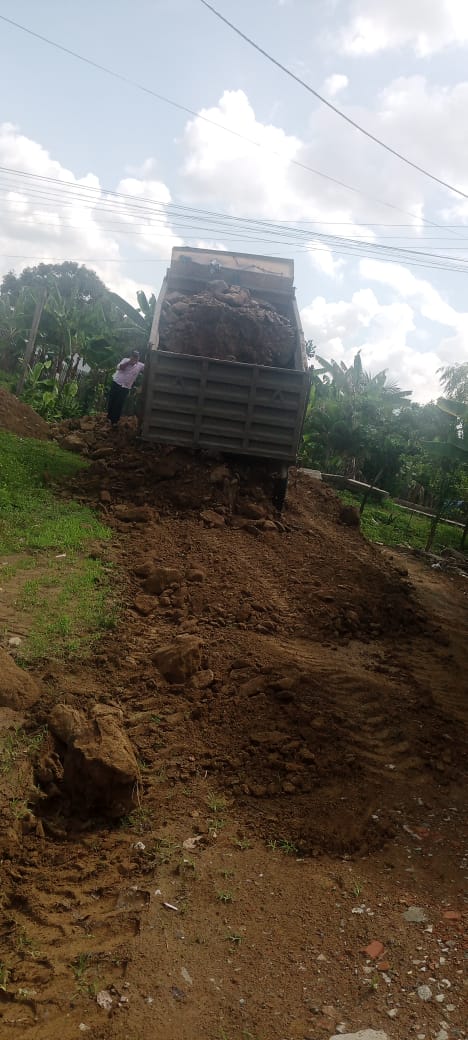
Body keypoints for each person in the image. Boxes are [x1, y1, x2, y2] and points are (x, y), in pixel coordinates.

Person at [107, 350, 145, 425]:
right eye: (134, 357)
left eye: (136, 357)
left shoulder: (140, 365)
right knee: (112, 401)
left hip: (125, 387)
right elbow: (119, 367)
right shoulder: (125, 360)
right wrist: (129, 363)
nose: (135, 358)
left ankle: (114, 421)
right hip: (116, 383)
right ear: (131, 357)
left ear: (138, 358)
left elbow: (148, 368)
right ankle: (109, 417)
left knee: (119, 403)